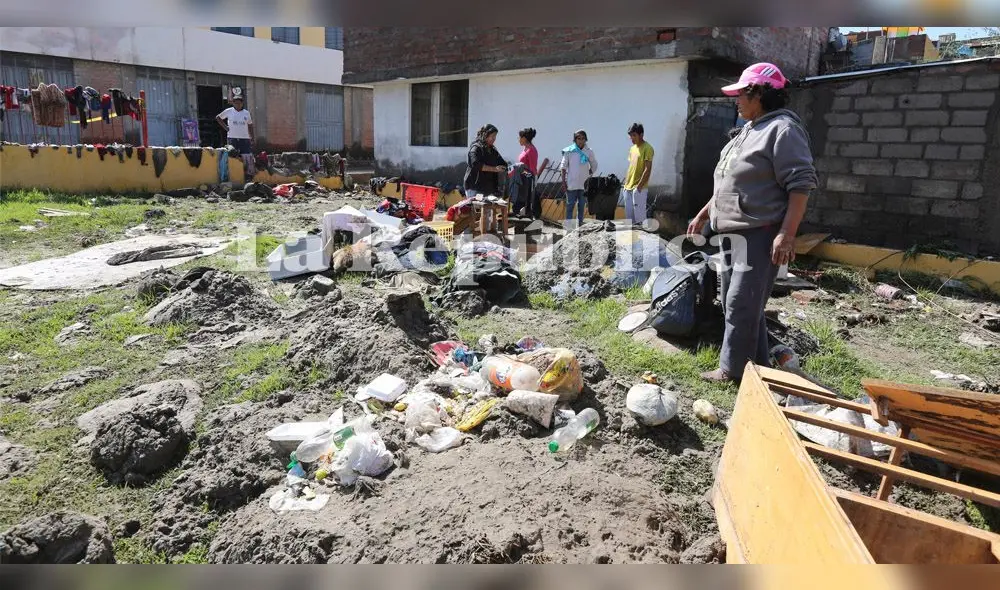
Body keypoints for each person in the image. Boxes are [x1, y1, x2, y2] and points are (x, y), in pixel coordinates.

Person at [687, 62, 817, 383]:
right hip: (734, 233)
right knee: (743, 304)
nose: (737, 100)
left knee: (740, 304)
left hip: (759, 234)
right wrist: (705, 214)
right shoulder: (748, 129)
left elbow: (801, 183)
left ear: (759, 93)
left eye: (742, 94)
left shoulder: (782, 130)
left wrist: (786, 234)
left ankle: (731, 371)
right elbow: (728, 182)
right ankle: (758, 366)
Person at [560, 129, 598, 227]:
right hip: (571, 184)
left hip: (583, 185)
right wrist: (563, 182)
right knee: (570, 206)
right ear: (575, 139)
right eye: (578, 138)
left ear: (585, 140)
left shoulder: (589, 151)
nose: (581, 141)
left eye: (583, 138)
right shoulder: (568, 151)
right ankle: (568, 228)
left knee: (581, 206)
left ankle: (579, 227)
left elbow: (594, 164)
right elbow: (563, 167)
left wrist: (590, 172)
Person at [463, 124, 507, 198]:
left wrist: (506, 167)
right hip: (474, 187)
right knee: (476, 209)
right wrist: (495, 169)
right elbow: (475, 164)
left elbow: (502, 163)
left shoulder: (493, 150)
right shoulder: (476, 148)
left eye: (495, 136)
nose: (494, 138)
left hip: (488, 189)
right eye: (492, 136)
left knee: (486, 209)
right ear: (485, 135)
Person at [621, 123, 653, 224]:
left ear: (641, 135)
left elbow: (647, 169)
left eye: (634, 135)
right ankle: (632, 239)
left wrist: (638, 187)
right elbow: (631, 167)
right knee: (629, 220)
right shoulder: (632, 148)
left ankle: (642, 239)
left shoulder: (648, 148)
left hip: (639, 189)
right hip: (628, 187)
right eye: (630, 135)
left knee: (640, 220)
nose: (632, 138)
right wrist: (625, 184)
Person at [511, 127, 542, 218]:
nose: (518, 140)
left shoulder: (531, 150)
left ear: (524, 138)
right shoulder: (525, 149)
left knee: (526, 203)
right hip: (521, 180)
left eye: (519, 137)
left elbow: (532, 169)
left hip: (527, 181)